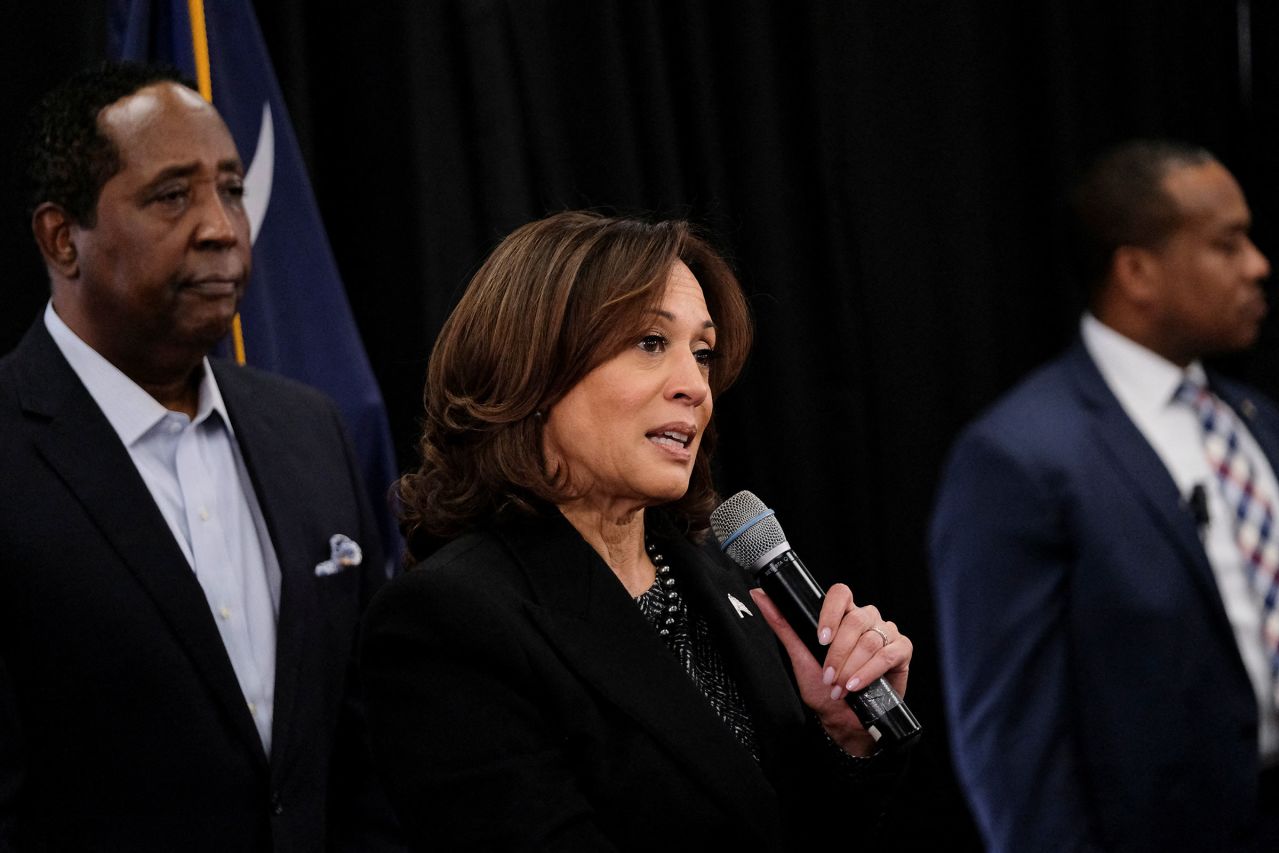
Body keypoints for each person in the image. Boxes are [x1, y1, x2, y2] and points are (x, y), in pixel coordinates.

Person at [360, 211, 914, 850]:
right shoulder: (449, 621)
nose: (694, 388)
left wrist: (844, 739)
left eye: (702, 354)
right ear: (535, 367)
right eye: (651, 343)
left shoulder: (724, 571)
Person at [0, 61, 401, 850]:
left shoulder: (310, 431)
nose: (221, 225)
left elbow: (364, 754)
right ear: (61, 238)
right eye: (172, 195)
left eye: (231, 189)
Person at [930, 139, 1279, 852]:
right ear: (1137, 270)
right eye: (1227, 243)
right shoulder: (1018, 457)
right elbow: (1012, 747)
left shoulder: (1257, 421)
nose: (1258, 265)